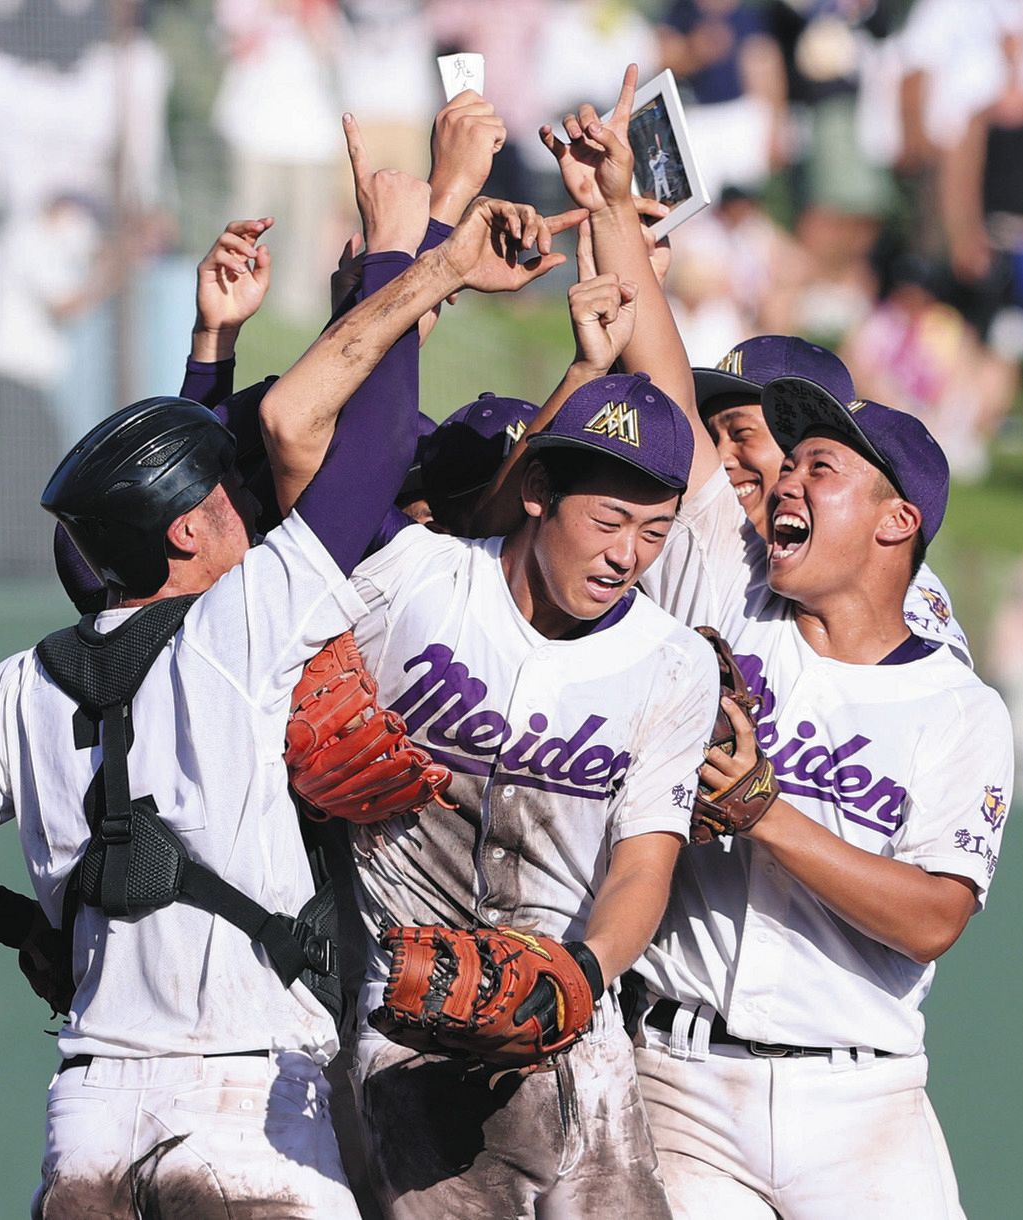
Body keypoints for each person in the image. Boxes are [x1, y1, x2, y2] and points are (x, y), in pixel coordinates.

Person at [0, 108, 572, 1213]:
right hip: (245, 1112)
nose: (238, 503)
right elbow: (358, 448)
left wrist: (33, 926)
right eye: (217, 496)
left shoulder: (19, 683)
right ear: (180, 534)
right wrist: (422, 248)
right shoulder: (240, 629)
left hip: (89, 1124)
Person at [536, 63, 1014, 1217]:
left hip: (861, 1098)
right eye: (779, 458)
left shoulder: (953, 696)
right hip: (683, 1076)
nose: (778, 479)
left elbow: (936, 912)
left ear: (896, 520)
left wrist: (765, 814)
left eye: (817, 465)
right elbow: (661, 375)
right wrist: (610, 210)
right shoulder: (738, 580)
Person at [342, 267, 720, 1213]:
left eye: (656, 530)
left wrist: (581, 974)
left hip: (574, 1030)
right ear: (540, 490)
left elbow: (645, 862)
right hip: (406, 1021)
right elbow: (321, 454)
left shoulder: (673, 661)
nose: (628, 555)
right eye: (610, 519)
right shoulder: (413, 585)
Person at [690, 333, 973, 663]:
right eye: (711, 436)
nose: (719, 456)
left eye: (742, 434)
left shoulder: (908, 601)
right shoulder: (703, 538)